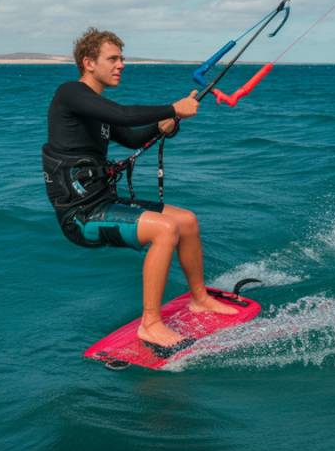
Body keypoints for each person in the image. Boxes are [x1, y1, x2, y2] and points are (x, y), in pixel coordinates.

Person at [42, 27, 237, 356]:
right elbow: (122, 114)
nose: (121, 65)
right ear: (89, 62)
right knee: (165, 230)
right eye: (113, 59)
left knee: (186, 221)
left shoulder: (96, 107)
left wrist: (164, 126)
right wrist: (172, 109)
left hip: (104, 201)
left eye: (122, 58)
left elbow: (131, 136)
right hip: (81, 216)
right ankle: (150, 323)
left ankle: (200, 299)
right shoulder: (70, 94)